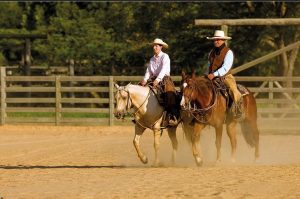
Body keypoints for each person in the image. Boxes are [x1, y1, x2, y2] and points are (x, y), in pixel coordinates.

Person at [140, 38, 178, 126]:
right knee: (140, 90)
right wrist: (145, 79)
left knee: (169, 93)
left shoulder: (165, 56)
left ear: (161, 47)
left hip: (165, 79)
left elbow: (164, 69)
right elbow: (148, 71)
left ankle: (171, 115)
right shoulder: (152, 59)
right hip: (153, 79)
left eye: (157, 46)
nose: (154, 47)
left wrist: (158, 79)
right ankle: (141, 115)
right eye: (154, 46)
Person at [206, 30, 243, 117]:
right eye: (215, 40)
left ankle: (237, 110)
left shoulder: (228, 52)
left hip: (226, 77)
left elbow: (226, 67)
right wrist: (207, 74)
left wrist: (214, 74)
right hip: (211, 76)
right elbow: (208, 65)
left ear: (223, 40)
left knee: (233, 90)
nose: (216, 41)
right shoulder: (211, 53)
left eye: (218, 39)